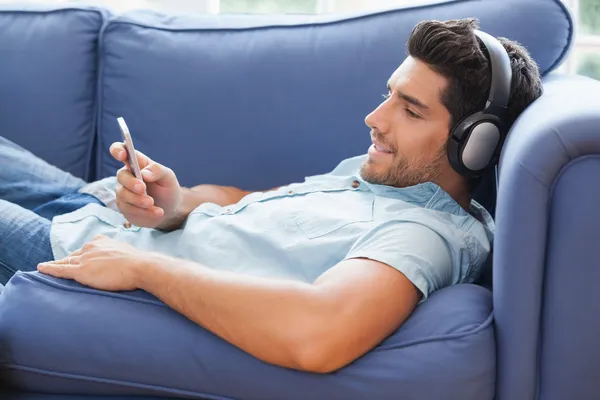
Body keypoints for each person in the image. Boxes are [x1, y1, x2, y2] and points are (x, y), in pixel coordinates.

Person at [0, 18, 542, 373]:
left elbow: (319, 333)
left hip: (82, 257)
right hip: (97, 212)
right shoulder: (384, 174)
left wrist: (143, 268)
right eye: (388, 96)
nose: (374, 119)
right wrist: (174, 205)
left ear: (474, 145)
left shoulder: (424, 234)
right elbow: (253, 202)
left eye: (411, 110)